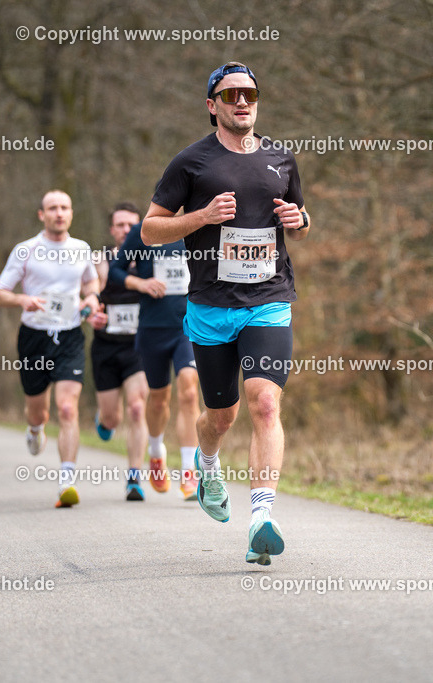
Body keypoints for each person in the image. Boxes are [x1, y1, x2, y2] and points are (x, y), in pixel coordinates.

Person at [142, 61, 311, 565]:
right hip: (211, 308)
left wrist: (299, 219)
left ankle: (261, 517)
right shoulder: (190, 163)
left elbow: (301, 221)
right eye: (231, 94)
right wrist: (201, 216)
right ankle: (208, 463)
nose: (242, 102)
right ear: (212, 105)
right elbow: (150, 230)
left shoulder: (281, 158)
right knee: (221, 416)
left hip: (269, 301)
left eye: (249, 94)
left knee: (265, 404)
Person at [0, 190, 105, 508]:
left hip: (69, 335)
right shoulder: (26, 250)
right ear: (41, 215)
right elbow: (0, 293)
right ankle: (35, 428)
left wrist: (91, 299)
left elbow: (91, 283)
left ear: (71, 213)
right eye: (52, 208)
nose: (59, 213)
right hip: (34, 337)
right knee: (38, 410)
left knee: (68, 408)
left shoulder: (81, 248)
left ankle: (66, 482)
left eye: (64, 207)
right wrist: (22, 299)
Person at [110, 204, 201, 502]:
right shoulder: (143, 231)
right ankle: (156, 450)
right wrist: (141, 283)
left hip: (188, 325)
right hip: (152, 328)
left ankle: (189, 472)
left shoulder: (198, 228)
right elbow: (115, 270)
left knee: (189, 390)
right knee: (159, 398)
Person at [91, 202, 154, 501]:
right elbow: (90, 293)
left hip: (138, 347)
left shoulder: (151, 259)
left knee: (137, 407)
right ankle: (104, 420)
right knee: (112, 419)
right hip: (105, 346)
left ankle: (134, 478)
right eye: (120, 225)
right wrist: (93, 312)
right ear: (111, 229)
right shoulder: (100, 260)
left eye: (132, 225)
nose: (126, 230)